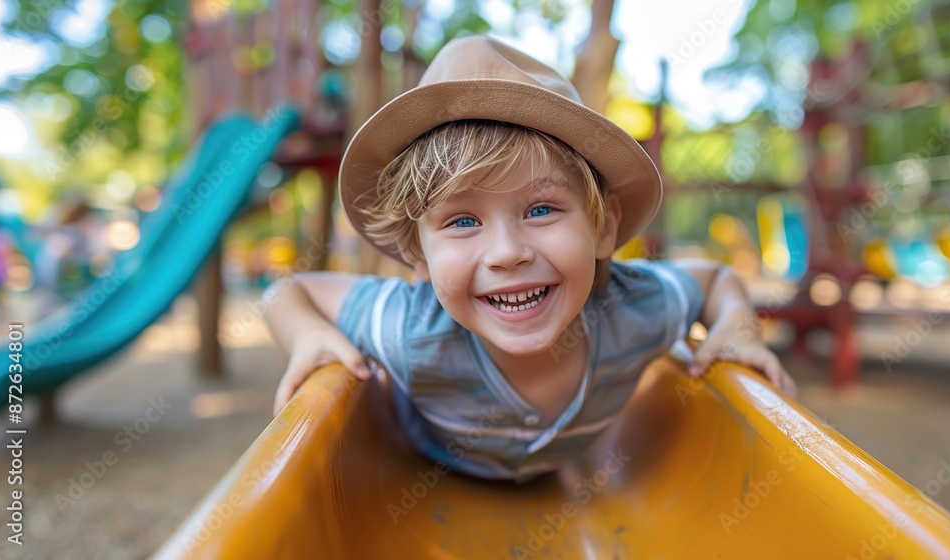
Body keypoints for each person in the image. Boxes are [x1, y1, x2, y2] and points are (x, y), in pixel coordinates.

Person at [264, 36, 797, 481]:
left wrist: (739, 328)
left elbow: (717, 281)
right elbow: (289, 292)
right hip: (429, 478)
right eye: (462, 221)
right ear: (415, 254)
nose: (507, 253)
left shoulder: (637, 306)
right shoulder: (408, 328)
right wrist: (307, 337)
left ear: (603, 226)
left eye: (541, 209)